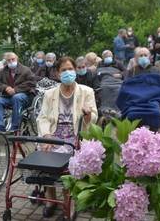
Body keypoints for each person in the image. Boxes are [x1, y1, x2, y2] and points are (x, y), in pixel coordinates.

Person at [37, 56, 98, 218]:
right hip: (53, 135)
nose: (68, 73)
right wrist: (46, 135)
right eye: (64, 70)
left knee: (69, 162)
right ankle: (50, 199)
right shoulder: (50, 94)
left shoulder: (87, 91)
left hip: (75, 135)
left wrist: (87, 115)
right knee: (45, 155)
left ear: (76, 71)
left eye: (70, 69)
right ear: (57, 74)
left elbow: (94, 118)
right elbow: (42, 117)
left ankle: (68, 201)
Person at [0, 52, 36, 131]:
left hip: (25, 96)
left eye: (13, 59)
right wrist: (5, 88)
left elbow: (32, 83)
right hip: (8, 96)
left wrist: (15, 90)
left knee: (16, 97)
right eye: (8, 60)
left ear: (17, 59)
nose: (11, 61)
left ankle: (15, 127)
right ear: (6, 61)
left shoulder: (25, 70)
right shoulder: (3, 71)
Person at [94, 50, 126, 114]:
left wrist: (121, 75)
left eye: (109, 56)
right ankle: (105, 109)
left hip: (117, 82)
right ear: (103, 57)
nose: (108, 57)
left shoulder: (118, 63)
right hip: (105, 82)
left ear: (112, 56)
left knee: (119, 89)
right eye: (106, 56)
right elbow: (96, 75)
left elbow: (126, 72)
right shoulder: (100, 64)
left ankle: (117, 110)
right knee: (103, 89)